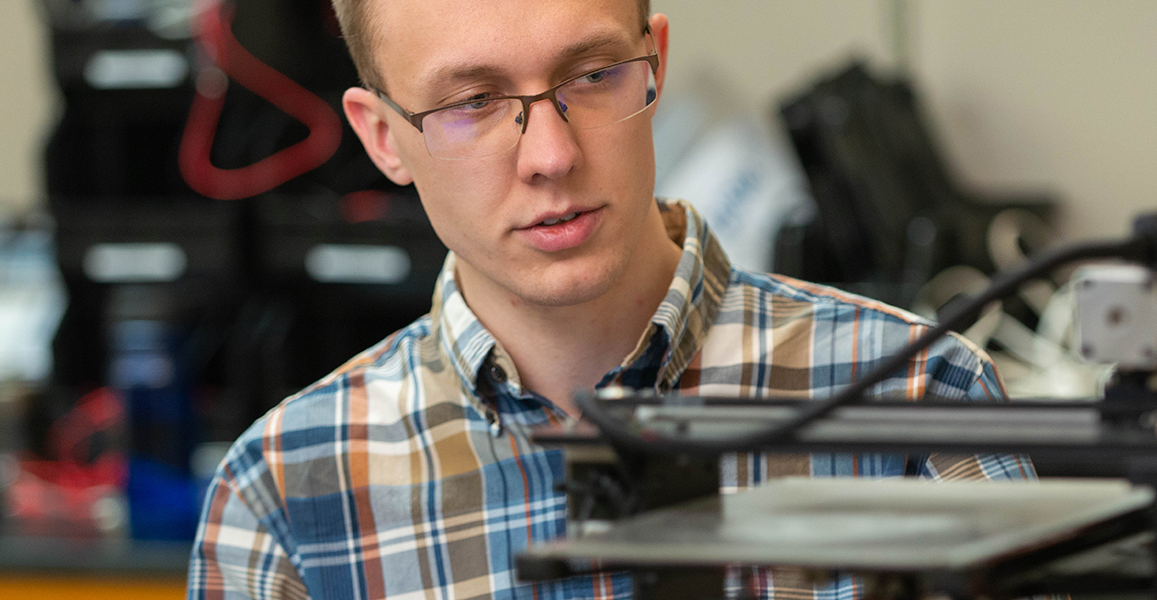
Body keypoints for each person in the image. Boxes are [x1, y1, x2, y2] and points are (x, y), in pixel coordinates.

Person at [189, 0, 1032, 598]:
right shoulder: (284, 498)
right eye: (473, 103)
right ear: (383, 138)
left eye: (592, 75)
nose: (551, 155)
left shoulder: (916, 400)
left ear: (653, 66)